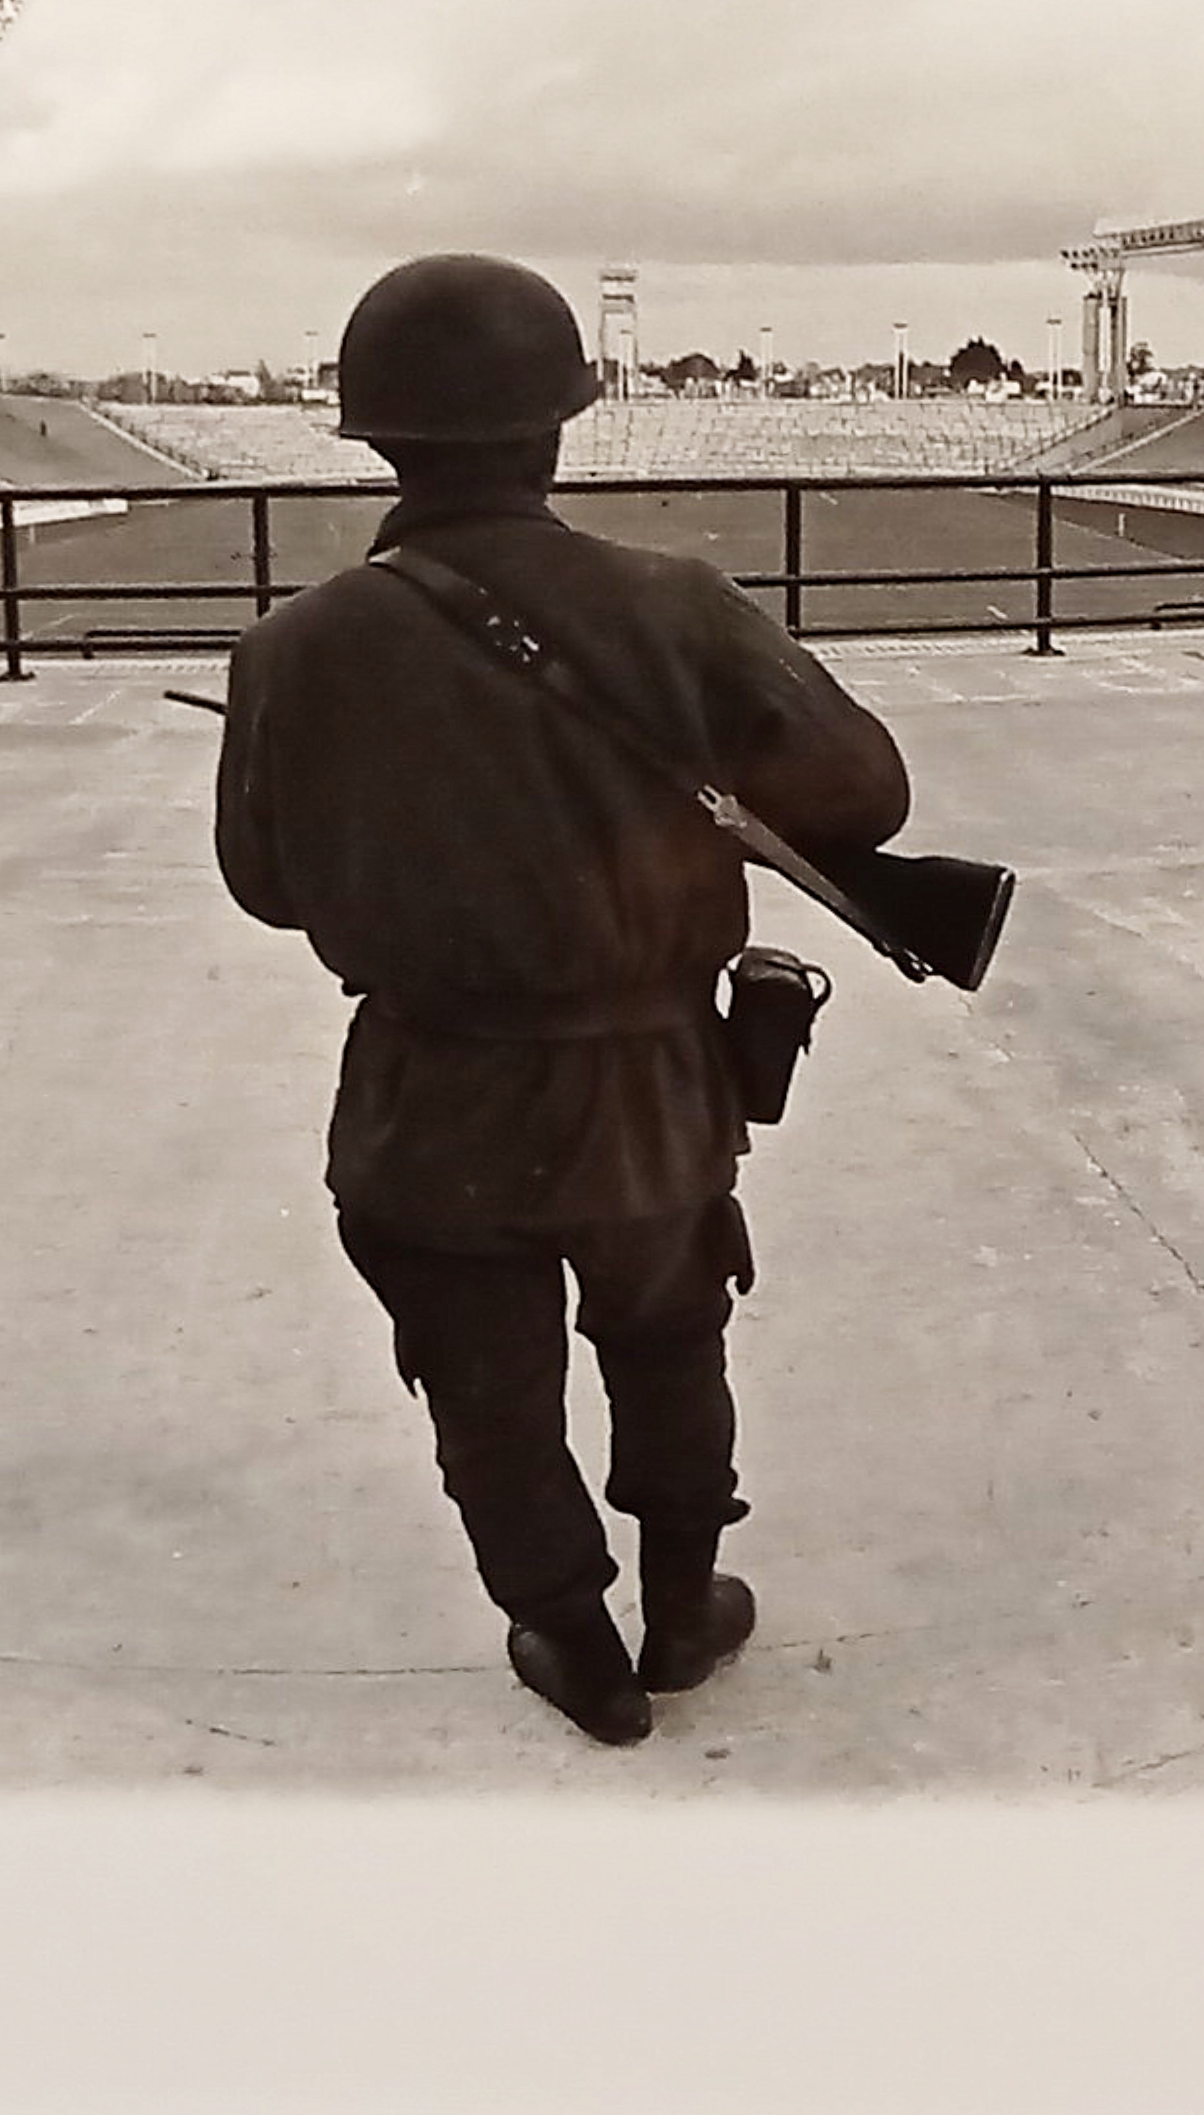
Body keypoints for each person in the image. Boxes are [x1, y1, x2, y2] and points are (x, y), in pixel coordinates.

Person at [213, 255, 913, 1747]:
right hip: (652, 1091)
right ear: (562, 424)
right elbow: (867, 793)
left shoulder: (290, 650)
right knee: (669, 1340)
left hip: (430, 1097)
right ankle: (681, 1610)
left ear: (374, 435)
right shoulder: (678, 604)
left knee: (484, 1388)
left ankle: (574, 1646)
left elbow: (265, 887)